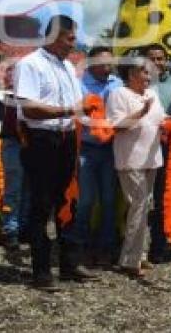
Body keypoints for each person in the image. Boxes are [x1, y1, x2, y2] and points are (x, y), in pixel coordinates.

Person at [13, 15, 94, 291]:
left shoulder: (69, 68)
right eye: (70, 38)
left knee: (67, 202)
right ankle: (42, 272)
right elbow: (28, 109)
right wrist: (70, 111)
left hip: (67, 138)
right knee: (42, 205)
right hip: (42, 140)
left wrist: (86, 107)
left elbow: (75, 104)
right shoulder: (29, 64)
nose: (74, 44)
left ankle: (70, 265)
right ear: (53, 36)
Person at [105, 54, 166, 278]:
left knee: (144, 206)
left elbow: (160, 119)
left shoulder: (152, 94)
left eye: (149, 73)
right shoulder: (118, 94)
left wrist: (170, 124)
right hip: (130, 159)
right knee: (139, 206)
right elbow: (116, 126)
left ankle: (140, 255)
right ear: (130, 74)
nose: (148, 77)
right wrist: (141, 112)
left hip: (152, 158)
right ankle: (129, 259)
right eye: (144, 72)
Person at [64, 45, 122, 268]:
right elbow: (74, 112)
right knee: (86, 200)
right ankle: (79, 246)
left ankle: (105, 248)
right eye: (103, 62)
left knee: (108, 200)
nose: (108, 66)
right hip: (86, 149)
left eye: (111, 62)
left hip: (110, 149)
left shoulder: (117, 84)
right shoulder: (79, 85)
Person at [143, 43, 171, 264]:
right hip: (140, 145)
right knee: (138, 198)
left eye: (160, 58)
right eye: (152, 58)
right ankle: (133, 247)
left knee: (162, 196)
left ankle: (157, 246)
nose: (157, 62)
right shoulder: (136, 83)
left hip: (166, 145)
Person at [0, 93, 30, 251]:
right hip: (14, 139)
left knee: (27, 188)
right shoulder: (15, 80)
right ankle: (10, 230)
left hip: (33, 140)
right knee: (14, 189)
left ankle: (22, 228)